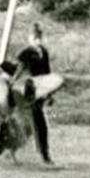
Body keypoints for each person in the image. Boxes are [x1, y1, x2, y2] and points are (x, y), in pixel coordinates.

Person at [14, 23, 54, 164]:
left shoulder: (44, 52)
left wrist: (50, 93)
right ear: (29, 38)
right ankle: (44, 154)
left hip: (41, 90)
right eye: (34, 37)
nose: (37, 40)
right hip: (28, 92)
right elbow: (18, 71)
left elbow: (48, 73)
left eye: (39, 37)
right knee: (37, 123)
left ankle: (43, 152)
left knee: (35, 124)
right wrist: (12, 83)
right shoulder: (26, 53)